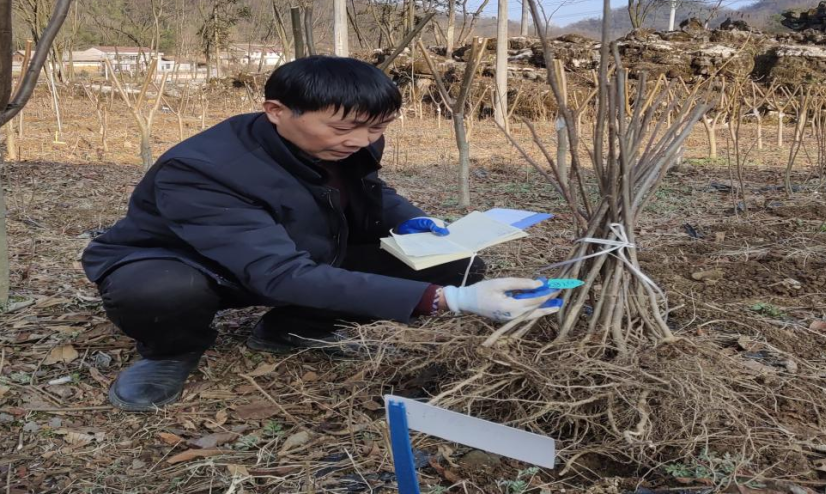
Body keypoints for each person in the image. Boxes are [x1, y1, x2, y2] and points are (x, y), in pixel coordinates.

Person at [81, 56, 559, 411]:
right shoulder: (204, 170)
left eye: (377, 129)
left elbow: (369, 189)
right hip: (193, 264)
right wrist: (451, 301)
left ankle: (294, 326)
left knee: (454, 262)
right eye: (346, 128)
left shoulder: (350, 140)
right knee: (160, 293)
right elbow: (276, 271)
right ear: (276, 110)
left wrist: (410, 220)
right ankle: (170, 351)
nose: (361, 141)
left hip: (297, 252)